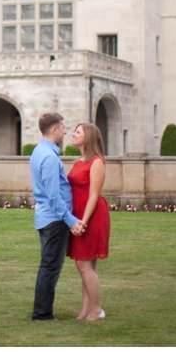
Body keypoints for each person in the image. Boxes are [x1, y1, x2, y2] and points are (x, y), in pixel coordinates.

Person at [30, 112, 85, 320]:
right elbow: (54, 196)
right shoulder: (49, 157)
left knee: (48, 265)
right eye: (63, 127)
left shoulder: (39, 151)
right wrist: (71, 220)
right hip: (55, 219)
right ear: (54, 129)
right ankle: (42, 313)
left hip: (46, 218)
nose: (65, 131)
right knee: (50, 267)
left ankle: (42, 311)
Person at [66, 123, 111, 320]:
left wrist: (82, 221)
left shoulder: (96, 162)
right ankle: (86, 310)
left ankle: (96, 310)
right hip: (78, 212)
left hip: (90, 215)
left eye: (78, 132)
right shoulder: (79, 161)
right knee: (86, 265)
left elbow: (94, 195)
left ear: (89, 137)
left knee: (84, 264)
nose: (73, 134)